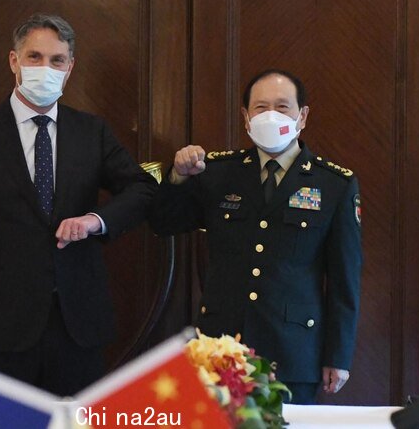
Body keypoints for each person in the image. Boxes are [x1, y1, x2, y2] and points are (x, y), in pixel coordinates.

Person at [0, 13, 157, 396]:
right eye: (34, 57)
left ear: (69, 68)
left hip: (78, 326)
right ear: (13, 62)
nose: (45, 68)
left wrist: (94, 220)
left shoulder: (92, 132)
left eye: (56, 60)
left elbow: (142, 189)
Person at [149, 69, 362, 404]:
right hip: (220, 349)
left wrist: (338, 355)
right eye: (261, 108)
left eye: (283, 106)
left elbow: (343, 278)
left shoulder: (334, 184)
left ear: (302, 116)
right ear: (246, 118)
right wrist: (177, 176)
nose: (272, 115)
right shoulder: (217, 172)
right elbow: (164, 222)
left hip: (293, 353)